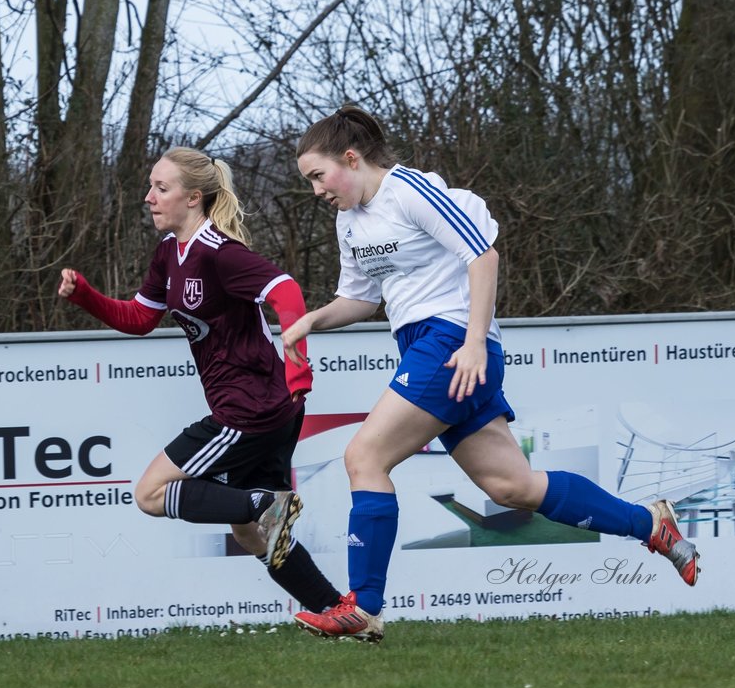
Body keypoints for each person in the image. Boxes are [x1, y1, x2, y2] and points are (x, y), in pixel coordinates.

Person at [283, 106, 700, 643]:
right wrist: (312, 321)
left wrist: (475, 342)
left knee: (364, 456)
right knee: (512, 486)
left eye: (318, 176)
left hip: (453, 342)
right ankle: (652, 525)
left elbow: (483, 255)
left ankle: (362, 607)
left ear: (351, 158)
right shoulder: (350, 221)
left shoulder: (409, 191)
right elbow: (360, 299)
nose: (316, 190)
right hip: (429, 345)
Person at [57, 146, 343, 616]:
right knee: (253, 531)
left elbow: (287, 291)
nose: (149, 197)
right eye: (150, 186)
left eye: (160, 188)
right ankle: (339, 612)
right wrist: (86, 296)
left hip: (250, 409)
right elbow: (139, 318)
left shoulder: (219, 254)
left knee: (150, 494)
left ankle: (260, 503)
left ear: (193, 198)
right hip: (269, 408)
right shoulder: (170, 253)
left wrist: (298, 364)